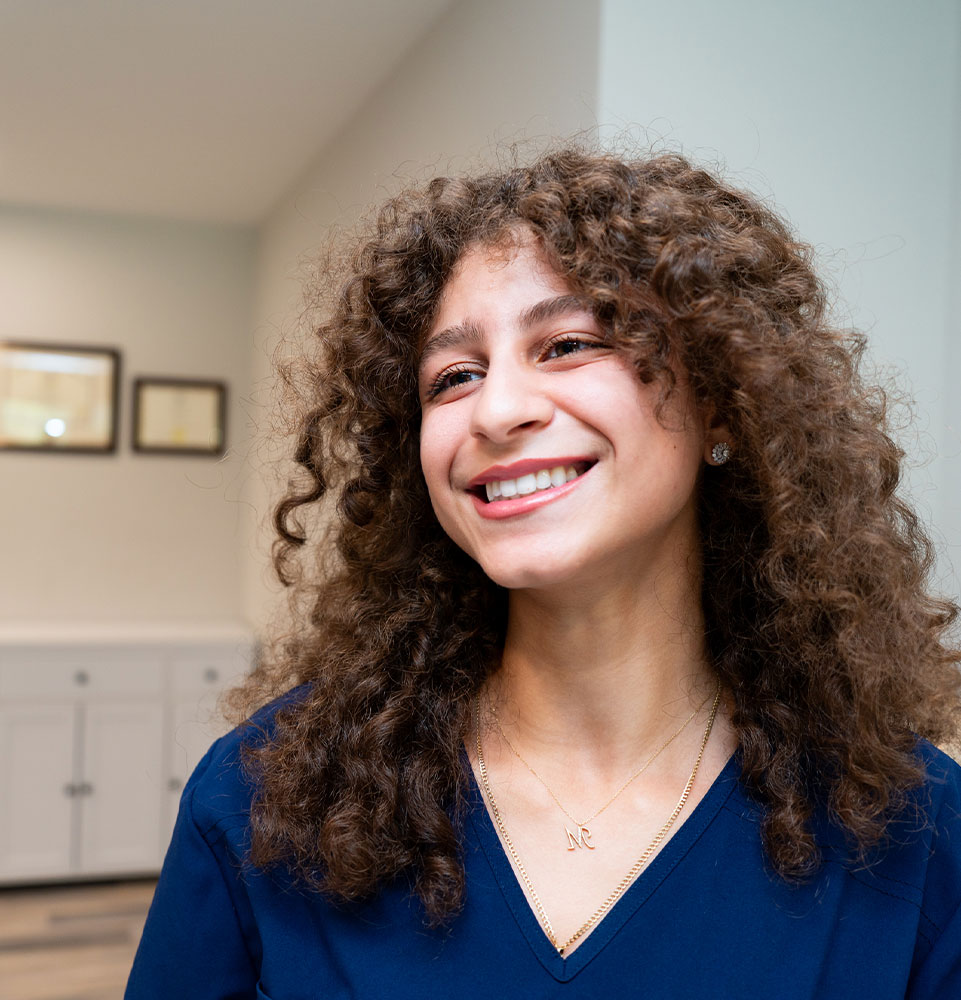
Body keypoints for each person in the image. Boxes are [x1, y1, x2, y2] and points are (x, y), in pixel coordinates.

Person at [126, 147, 961, 998]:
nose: (495, 409)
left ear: (720, 401)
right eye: (452, 377)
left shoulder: (918, 832)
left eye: (565, 344)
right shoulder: (264, 795)